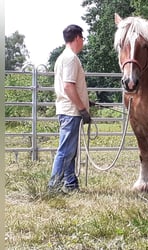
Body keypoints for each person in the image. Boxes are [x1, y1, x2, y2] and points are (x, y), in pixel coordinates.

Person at [48, 24, 91, 194]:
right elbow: (68, 86)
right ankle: (54, 186)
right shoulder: (71, 58)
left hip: (67, 109)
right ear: (78, 38)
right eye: (83, 39)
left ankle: (70, 183)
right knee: (65, 150)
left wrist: (86, 102)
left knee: (69, 150)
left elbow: (70, 86)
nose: (83, 42)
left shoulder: (63, 58)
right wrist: (82, 109)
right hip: (71, 111)